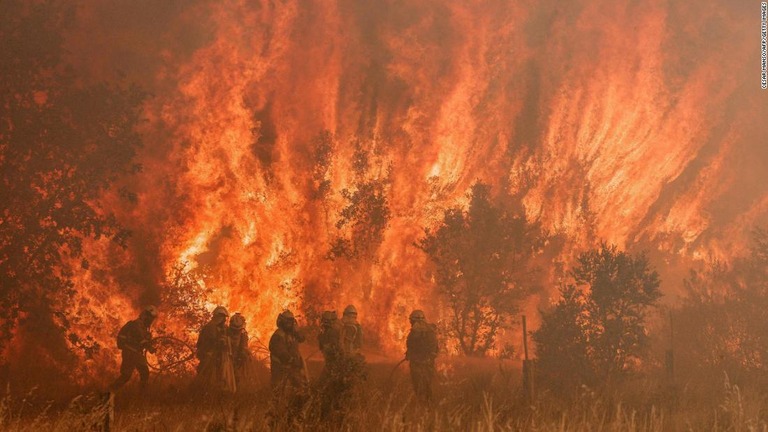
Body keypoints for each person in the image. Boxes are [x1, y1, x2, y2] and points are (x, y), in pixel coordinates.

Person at [108, 306, 158, 393]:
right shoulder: (135, 325)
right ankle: (110, 391)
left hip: (137, 354)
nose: (150, 321)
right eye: (150, 318)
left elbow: (145, 341)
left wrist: (149, 343)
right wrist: (149, 347)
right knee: (126, 376)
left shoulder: (144, 328)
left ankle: (142, 395)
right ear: (144, 315)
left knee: (144, 373)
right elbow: (141, 339)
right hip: (129, 352)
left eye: (152, 319)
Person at [195, 306, 237, 394]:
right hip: (208, 356)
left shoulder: (221, 327)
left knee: (217, 378)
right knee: (207, 377)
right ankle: (203, 395)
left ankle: (215, 395)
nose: (224, 320)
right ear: (218, 317)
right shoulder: (210, 328)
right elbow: (209, 343)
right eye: (223, 318)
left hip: (216, 357)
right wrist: (220, 342)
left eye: (225, 318)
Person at [405, 309, 438, 403]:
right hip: (429, 363)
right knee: (427, 384)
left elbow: (411, 345)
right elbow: (435, 347)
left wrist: (409, 354)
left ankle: (422, 405)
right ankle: (429, 404)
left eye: (411, 320)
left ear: (413, 320)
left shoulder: (415, 331)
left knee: (418, 385)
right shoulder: (431, 331)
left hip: (417, 363)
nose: (410, 322)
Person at [268, 310, 306, 391]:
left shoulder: (292, 333)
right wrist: (291, 360)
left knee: (299, 387)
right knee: (278, 388)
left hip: (291, 365)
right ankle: (276, 402)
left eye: (290, 322)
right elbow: (281, 352)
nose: (289, 324)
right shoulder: (278, 335)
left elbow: (302, 338)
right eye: (287, 322)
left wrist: (297, 331)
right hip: (279, 366)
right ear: (282, 322)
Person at [227, 312, 254, 391]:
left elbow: (243, 348)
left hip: (236, 362)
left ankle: (235, 397)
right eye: (234, 330)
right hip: (226, 361)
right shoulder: (225, 333)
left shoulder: (243, 336)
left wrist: (245, 354)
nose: (235, 332)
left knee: (236, 380)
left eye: (237, 330)